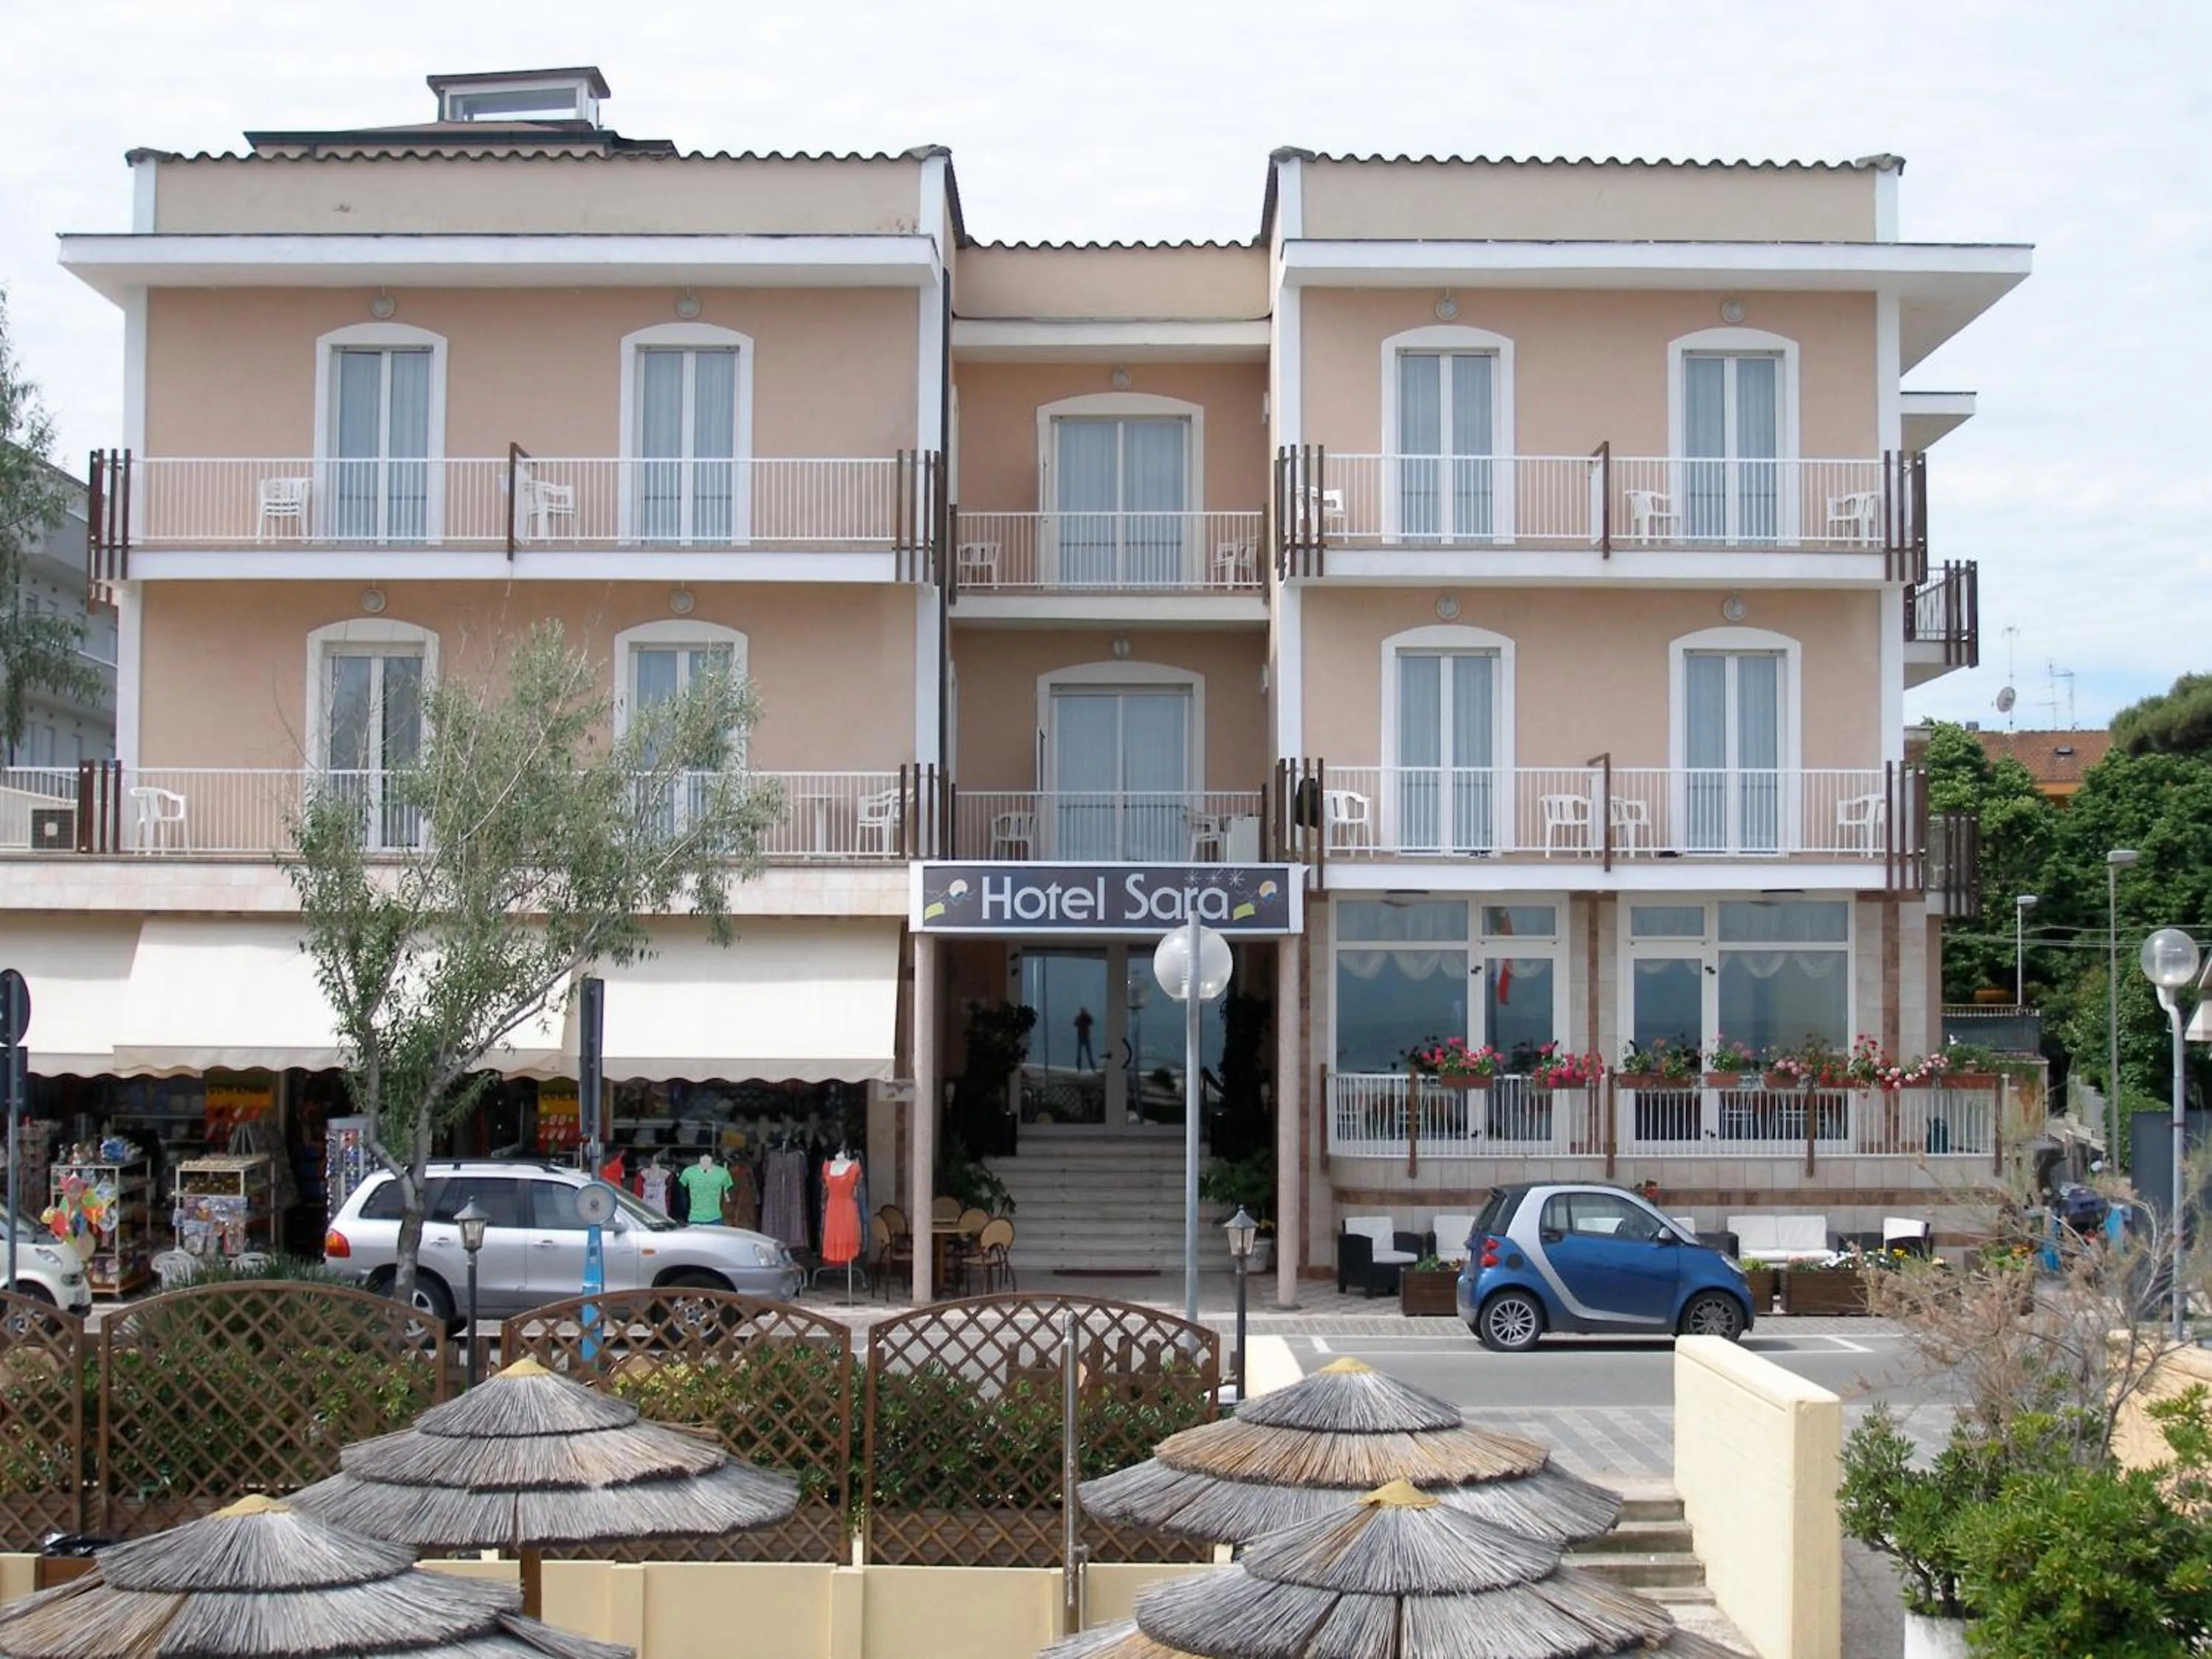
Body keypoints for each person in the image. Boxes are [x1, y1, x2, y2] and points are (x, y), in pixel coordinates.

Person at [677, 1152, 732, 1227]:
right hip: (695, 1218)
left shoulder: (723, 1173)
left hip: (715, 1218)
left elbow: (728, 1196)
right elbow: (681, 1194)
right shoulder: (688, 1172)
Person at [1074, 1006, 1096, 1070]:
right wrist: (1087, 1015)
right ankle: (1092, 1066)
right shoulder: (1085, 1018)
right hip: (1085, 1037)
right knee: (1088, 1053)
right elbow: (1091, 1021)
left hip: (1081, 1037)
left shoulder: (1080, 1018)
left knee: (1080, 1053)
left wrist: (1079, 1017)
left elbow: (1075, 1024)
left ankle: (1079, 1066)